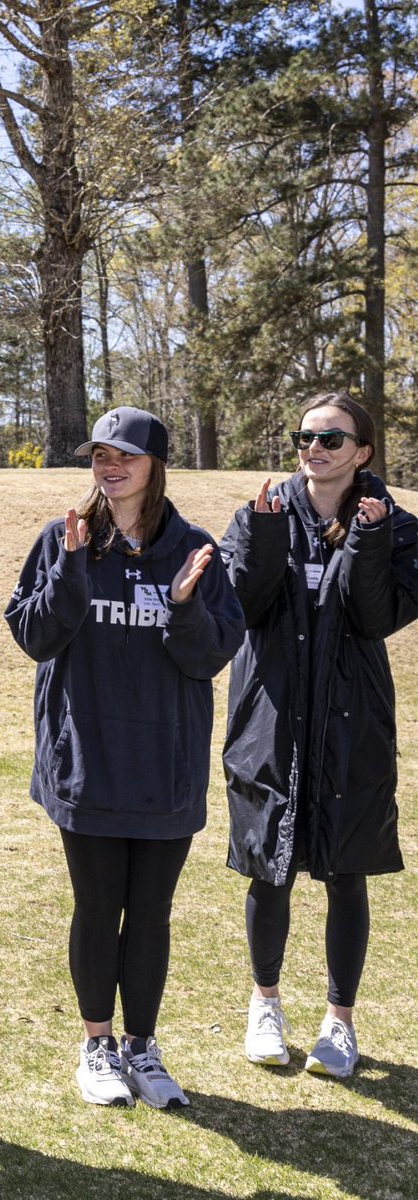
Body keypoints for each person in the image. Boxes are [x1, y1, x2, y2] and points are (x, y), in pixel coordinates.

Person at [6, 406, 244, 1110]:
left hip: (164, 767)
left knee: (151, 913)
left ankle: (142, 1047)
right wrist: (74, 572)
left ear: (155, 466)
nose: (109, 468)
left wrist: (183, 606)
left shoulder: (194, 548)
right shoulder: (65, 539)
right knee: (97, 905)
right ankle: (97, 1045)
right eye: (100, 456)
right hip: (88, 763)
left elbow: (210, 655)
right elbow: (35, 637)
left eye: (125, 457)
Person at [222, 392, 418, 1079]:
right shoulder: (261, 514)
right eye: (305, 436)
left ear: (362, 453)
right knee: (268, 869)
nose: (315, 448)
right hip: (270, 721)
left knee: (346, 869)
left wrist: (366, 541)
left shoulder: (397, 528)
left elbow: (375, 619)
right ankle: (265, 1005)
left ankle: (340, 1020)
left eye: (332, 439)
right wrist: (268, 535)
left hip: (351, 720)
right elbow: (238, 606)